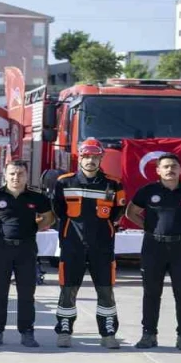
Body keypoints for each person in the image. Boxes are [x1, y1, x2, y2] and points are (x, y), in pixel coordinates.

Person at [126, 153, 181, 351]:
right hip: (154, 247)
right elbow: (131, 212)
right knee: (151, 293)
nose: (170, 170)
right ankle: (149, 334)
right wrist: (149, 227)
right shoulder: (148, 191)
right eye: (165, 166)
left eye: (173, 166)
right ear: (158, 170)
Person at [50, 138, 127, 349]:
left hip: (102, 247)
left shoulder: (113, 183)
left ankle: (108, 334)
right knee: (68, 290)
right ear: (80, 157)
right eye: (86, 156)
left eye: (95, 156)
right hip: (71, 246)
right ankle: (64, 331)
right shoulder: (64, 182)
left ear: (101, 157)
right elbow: (57, 210)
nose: (90, 160)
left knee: (105, 291)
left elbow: (118, 211)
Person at [0, 161, 54, 347]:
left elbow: (49, 217)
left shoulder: (37, 197)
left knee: (26, 293)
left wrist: (34, 228)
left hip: (26, 249)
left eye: (20, 174)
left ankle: (27, 332)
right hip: (1, 248)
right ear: (5, 175)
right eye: (12, 174)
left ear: (26, 175)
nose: (16, 177)